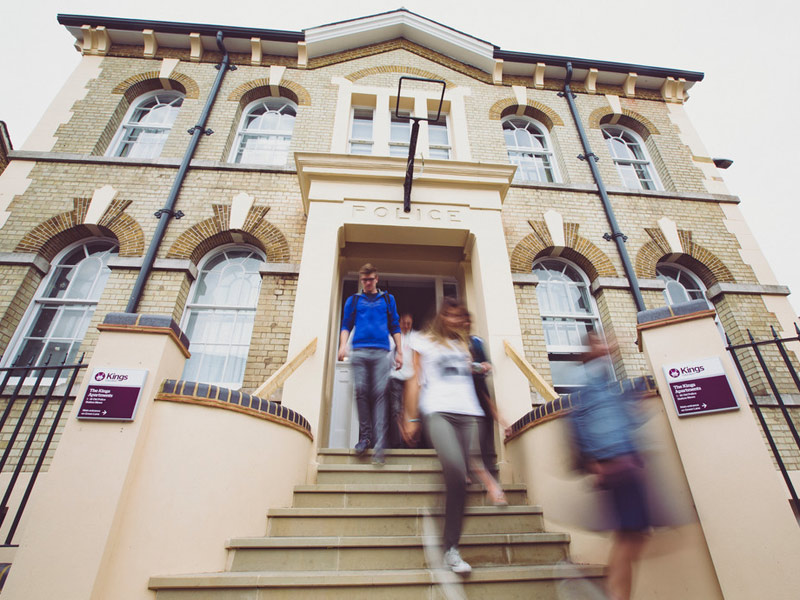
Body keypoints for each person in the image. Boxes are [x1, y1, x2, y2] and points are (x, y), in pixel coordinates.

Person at [402, 297, 505, 575]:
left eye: (461, 317)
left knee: (462, 480)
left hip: (469, 413)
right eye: (451, 315)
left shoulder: (464, 344)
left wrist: (481, 367)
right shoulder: (422, 341)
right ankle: (449, 540)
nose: (457, 321)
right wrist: (410, 417)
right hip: (438, 411)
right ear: (441, 316)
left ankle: (451, 547)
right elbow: (414, 379)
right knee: (457, 471)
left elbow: (468, 370)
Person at [567, 333, 649, 600]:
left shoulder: (603, 379)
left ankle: (617, 592)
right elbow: (578, 419)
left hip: (623, 462)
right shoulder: (593, 379)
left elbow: (618, 415)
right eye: (601, 342)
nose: (609, 345)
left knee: (632, 536)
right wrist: (593, 462)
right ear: (592, 349)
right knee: (631, 537)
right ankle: (615, 592)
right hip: (615, 463)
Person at [338, 264, 402, 464]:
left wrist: (399, 351)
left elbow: (395, 326)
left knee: (380, 395)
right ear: (361, 280)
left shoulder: (387, 299)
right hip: (360, 352)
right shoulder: (354, 300)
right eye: (363, 280)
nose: (367, 283)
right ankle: (366, 437)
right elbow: (346, 324)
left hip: (381, 352)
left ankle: (380, 447)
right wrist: (343, 346)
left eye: (370, 279)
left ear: (376, 279)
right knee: (361, 392)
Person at [463, 312, 509, 478]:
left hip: (479, 386)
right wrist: (477, 367)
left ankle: (488, 467)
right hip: (462, 389)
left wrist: (482, 367)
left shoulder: (477, 341)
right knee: (462, 427)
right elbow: (461, 366)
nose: (465, 325)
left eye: (467, 322)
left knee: (486, 424)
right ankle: (463, 469)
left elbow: (489, 365)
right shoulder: (453, 343)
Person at [386, 313, 415, 449]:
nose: (406, 326)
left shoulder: (414, 338)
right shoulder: (393, 337)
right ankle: (397, 443)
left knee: (408, 411)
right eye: (404, 323)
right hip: (395, 377)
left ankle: (409, 442)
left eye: (409, 323)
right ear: (400, 322)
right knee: (396, 410)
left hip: (410, 379)